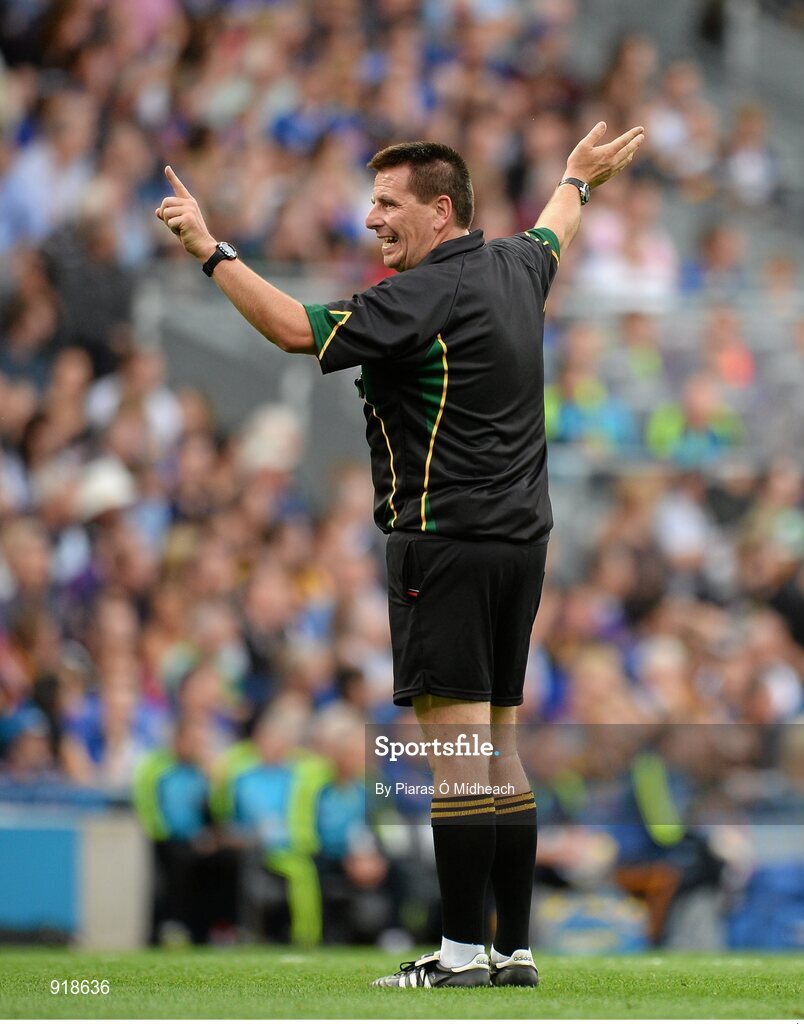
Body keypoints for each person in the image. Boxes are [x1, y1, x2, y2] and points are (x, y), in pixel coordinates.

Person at [157, 119, 645, 989]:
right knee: (499, 750)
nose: (372, 217)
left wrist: (208, 248)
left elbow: (292, 329)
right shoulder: (517, 266)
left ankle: (458, 957)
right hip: (523, 549)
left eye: (388, 202)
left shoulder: (416, 296)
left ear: (440, 211)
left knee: (456, 758)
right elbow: (555, 230)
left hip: (443, 548)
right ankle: (514, 951)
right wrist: (575, 180)